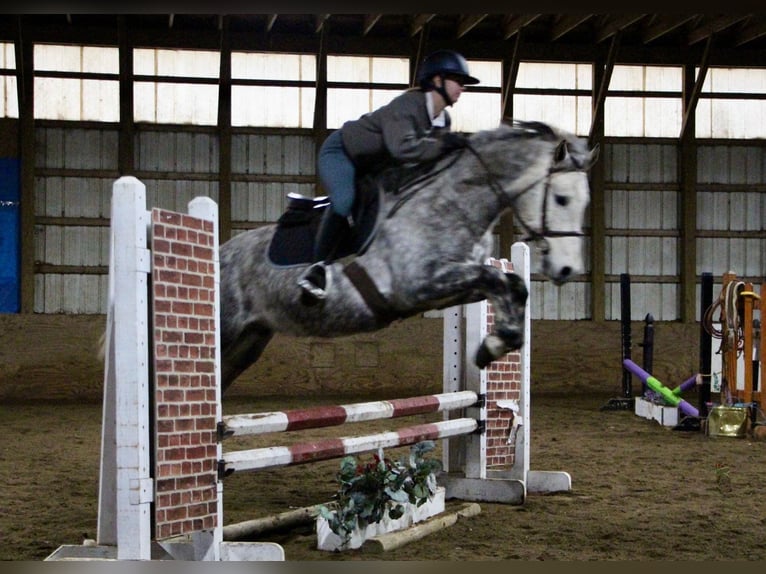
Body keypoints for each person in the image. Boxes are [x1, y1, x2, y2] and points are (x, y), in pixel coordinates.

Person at [298, 49, 480, 303]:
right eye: (458, 81)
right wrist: (444, 145)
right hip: (342, 153)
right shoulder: (408, 105)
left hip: (377, 167)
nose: (462, 88)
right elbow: (402, 148)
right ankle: (316, 269)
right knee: (343, 200)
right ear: (437, 80)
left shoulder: (443, 120)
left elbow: (429, 163)